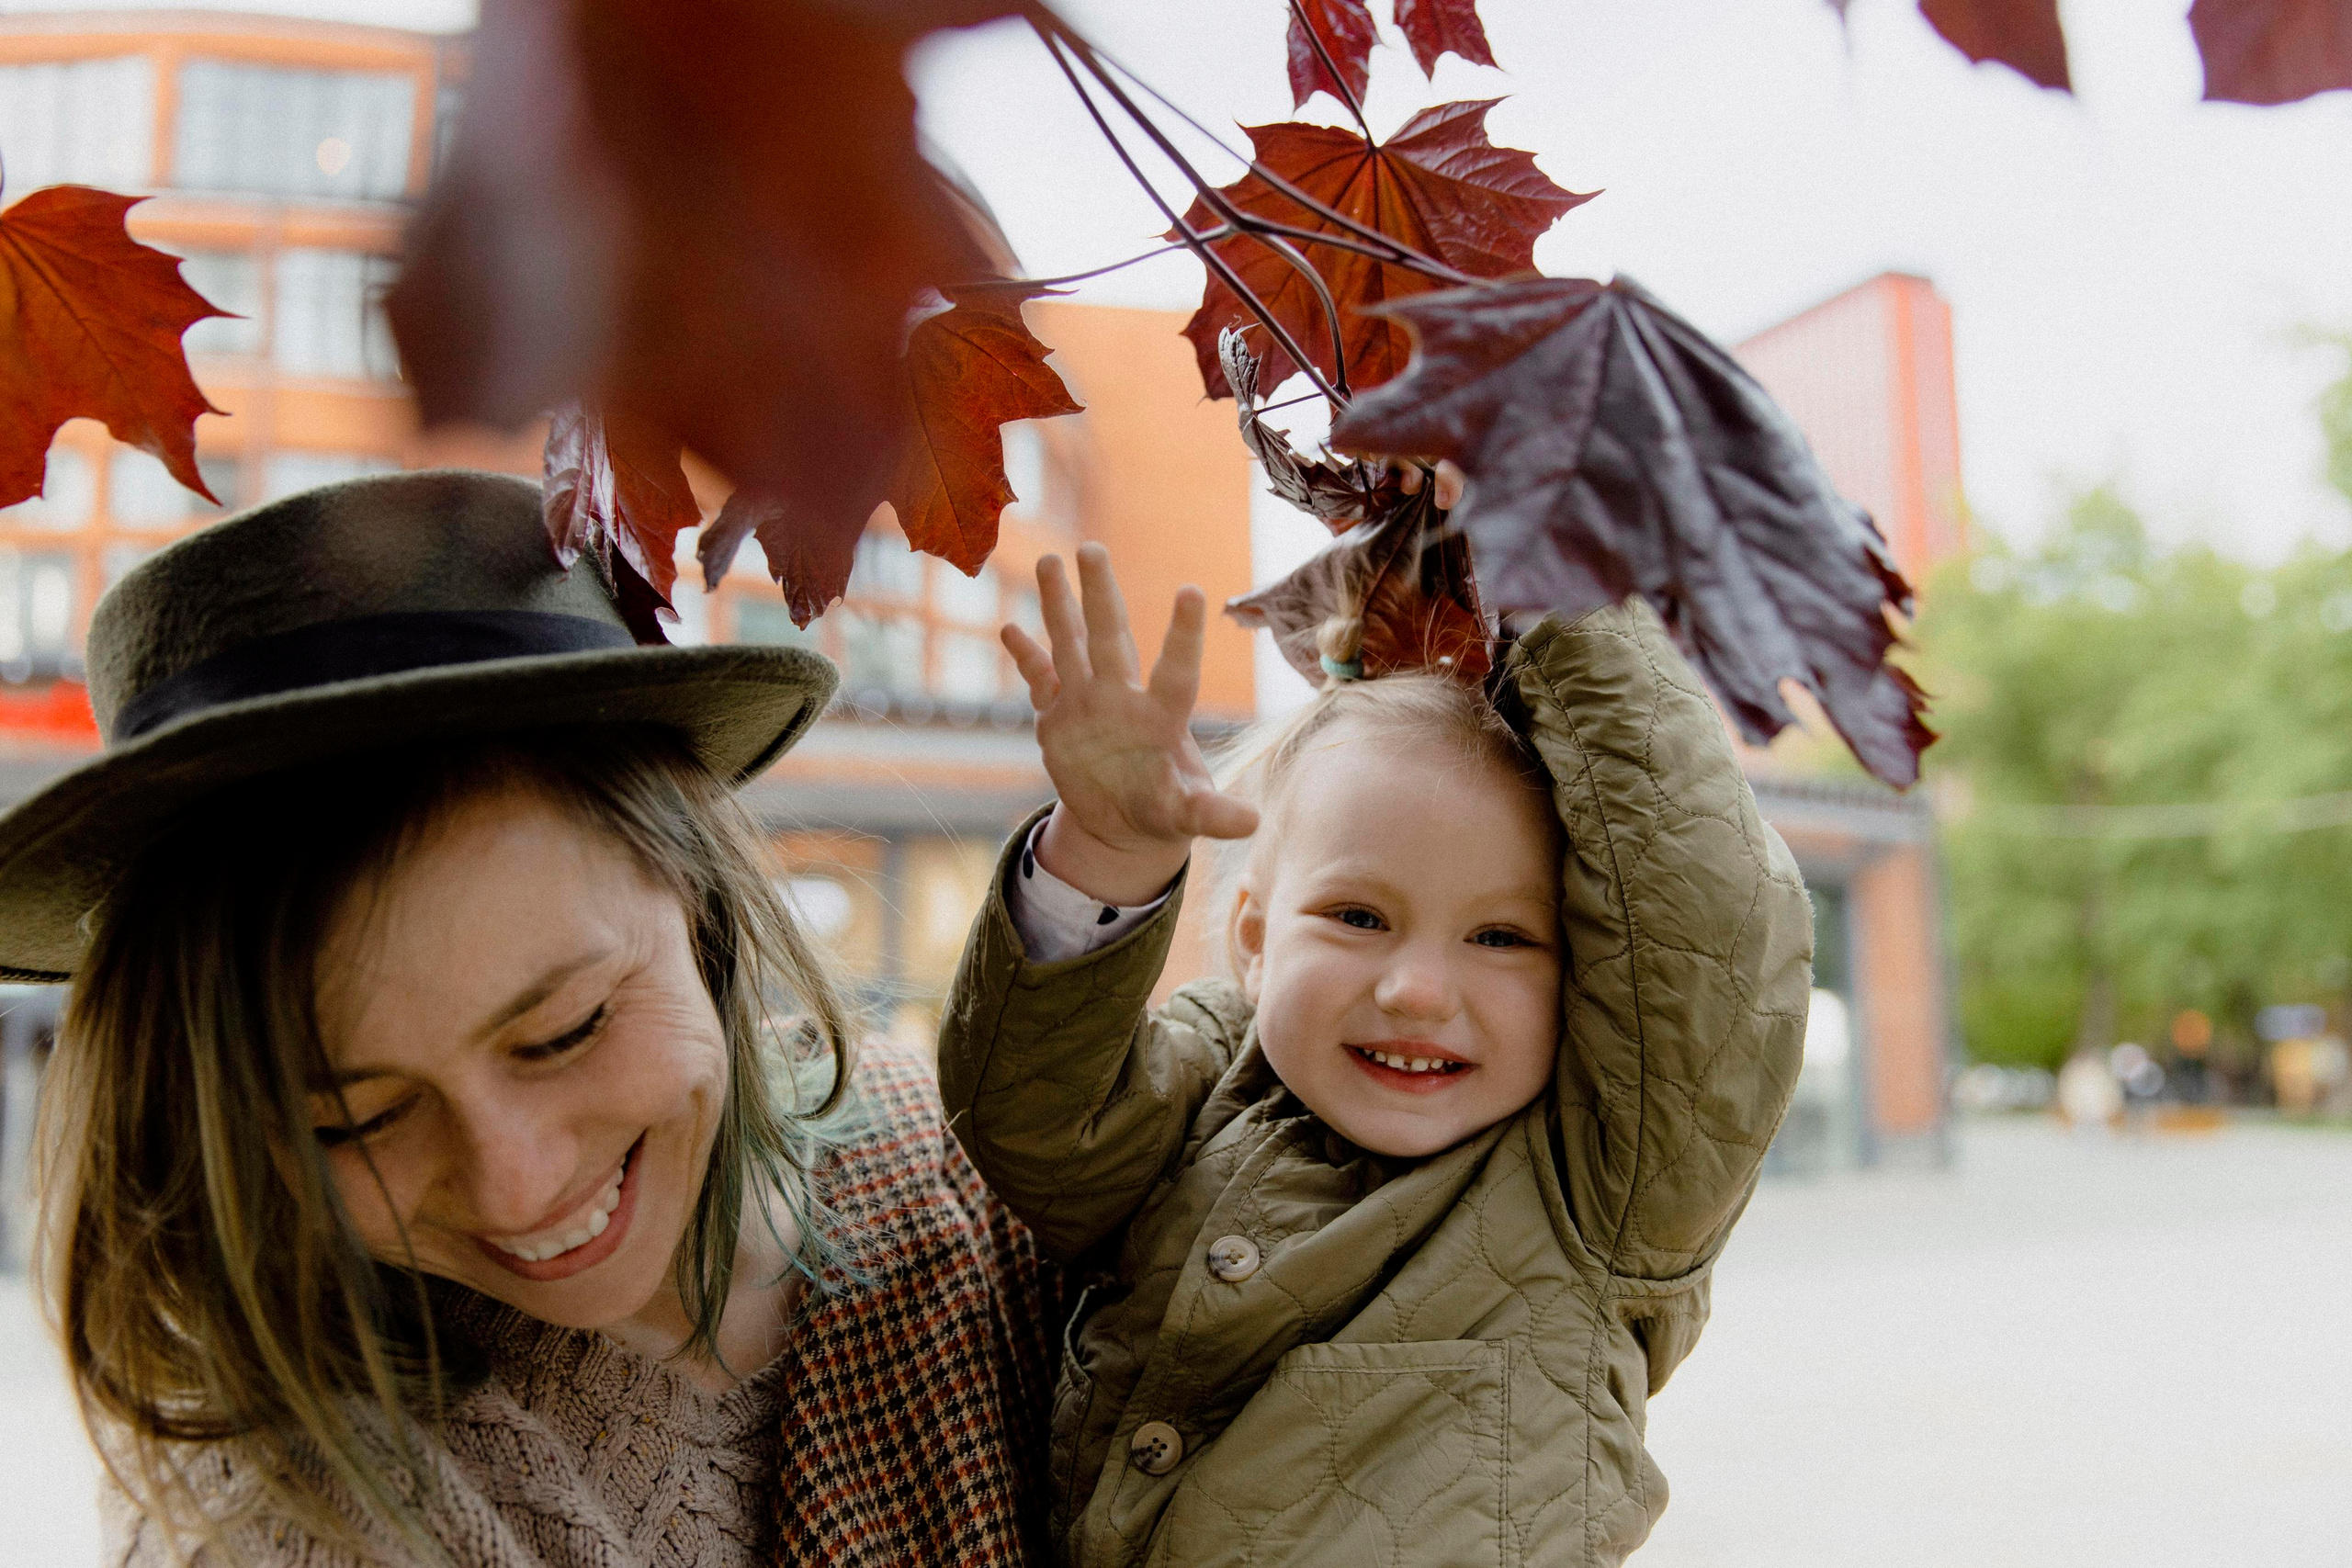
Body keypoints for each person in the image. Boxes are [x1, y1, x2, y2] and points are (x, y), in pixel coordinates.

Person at [21, 472, 1059, 1567]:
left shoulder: (1007, 1181)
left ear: (698, 898)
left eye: (566, 1030)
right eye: (355, 1120)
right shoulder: (274, 1530)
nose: (515, 1184)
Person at [938, 537, 1815, 1565]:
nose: (1414, 990)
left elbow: (1704, 924)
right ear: (1257, 941)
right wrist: (1108, 859)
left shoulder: (1604, 1180)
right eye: (1357, 916)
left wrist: (1533, 545)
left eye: (1500, 938)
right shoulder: (1207, 1080)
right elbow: (1032, 1118)